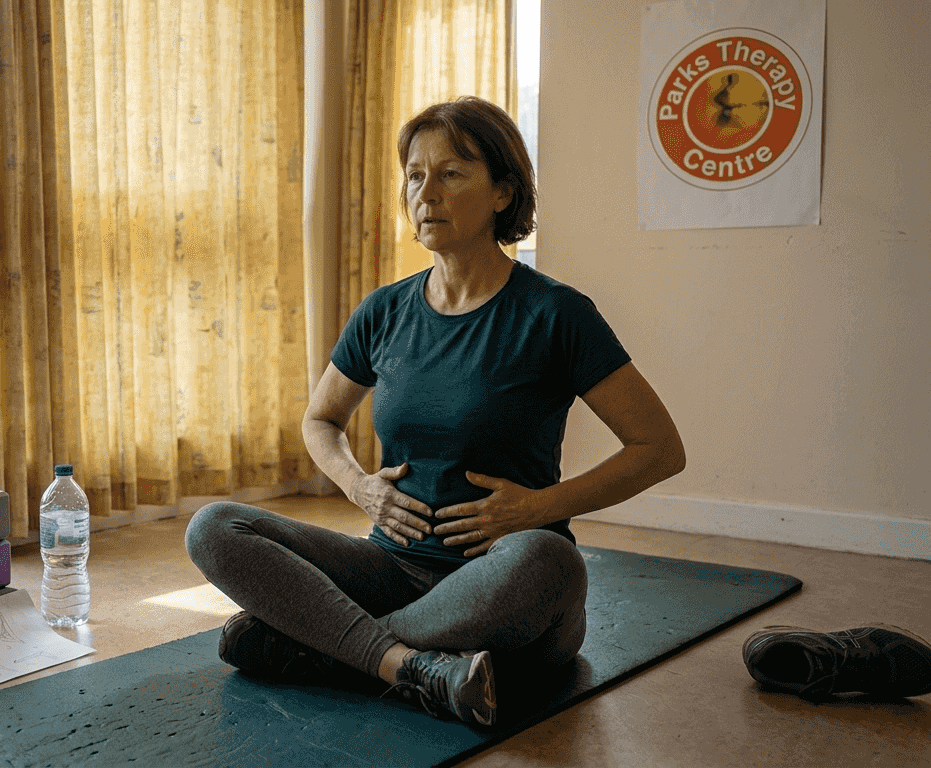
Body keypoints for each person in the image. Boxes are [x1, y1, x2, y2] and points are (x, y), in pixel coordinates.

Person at [185, 96, 686, 726]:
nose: (427, 193)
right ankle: (408, 664)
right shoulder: (385, 311)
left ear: (503, 192)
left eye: (452, 174)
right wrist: (360, 487)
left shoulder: (557, 315)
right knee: (214, 526)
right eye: (416, 176)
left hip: (504, 581)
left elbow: (660, 449)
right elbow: (321, 421)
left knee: (549, 560)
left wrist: (539, 508)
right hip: (392, 566)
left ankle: (330, 648)